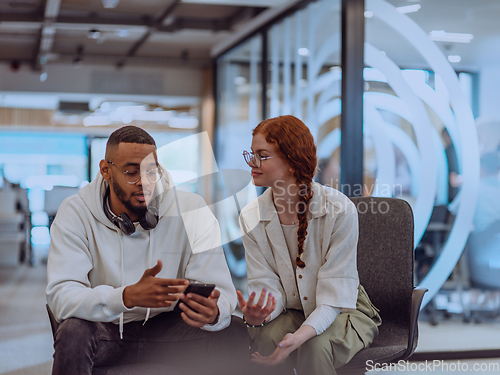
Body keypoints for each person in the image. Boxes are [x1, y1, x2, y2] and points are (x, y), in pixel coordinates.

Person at [46, 125, 248, 375]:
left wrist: (214, 312)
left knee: (235, 331)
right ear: (105, 170)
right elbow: (61, 297)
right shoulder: (75, 212)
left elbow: (222, 291)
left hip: (170, 332)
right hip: (105, 329)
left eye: (151, 172)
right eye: (132, 172)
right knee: (73, 331)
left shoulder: (192, 209)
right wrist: (126, 297)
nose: (144, 183)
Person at [236, 115, 381, 374]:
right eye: (251, 154)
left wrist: (300, 336)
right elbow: (267, 286)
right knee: (266, 339)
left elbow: (333, 299)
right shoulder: (250, 216)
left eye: (263, 156)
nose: (252, 163)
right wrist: (261, 314)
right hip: (292, 308)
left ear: (292, 162)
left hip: (342, 308)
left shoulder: (339, 209)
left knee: (313, 347)